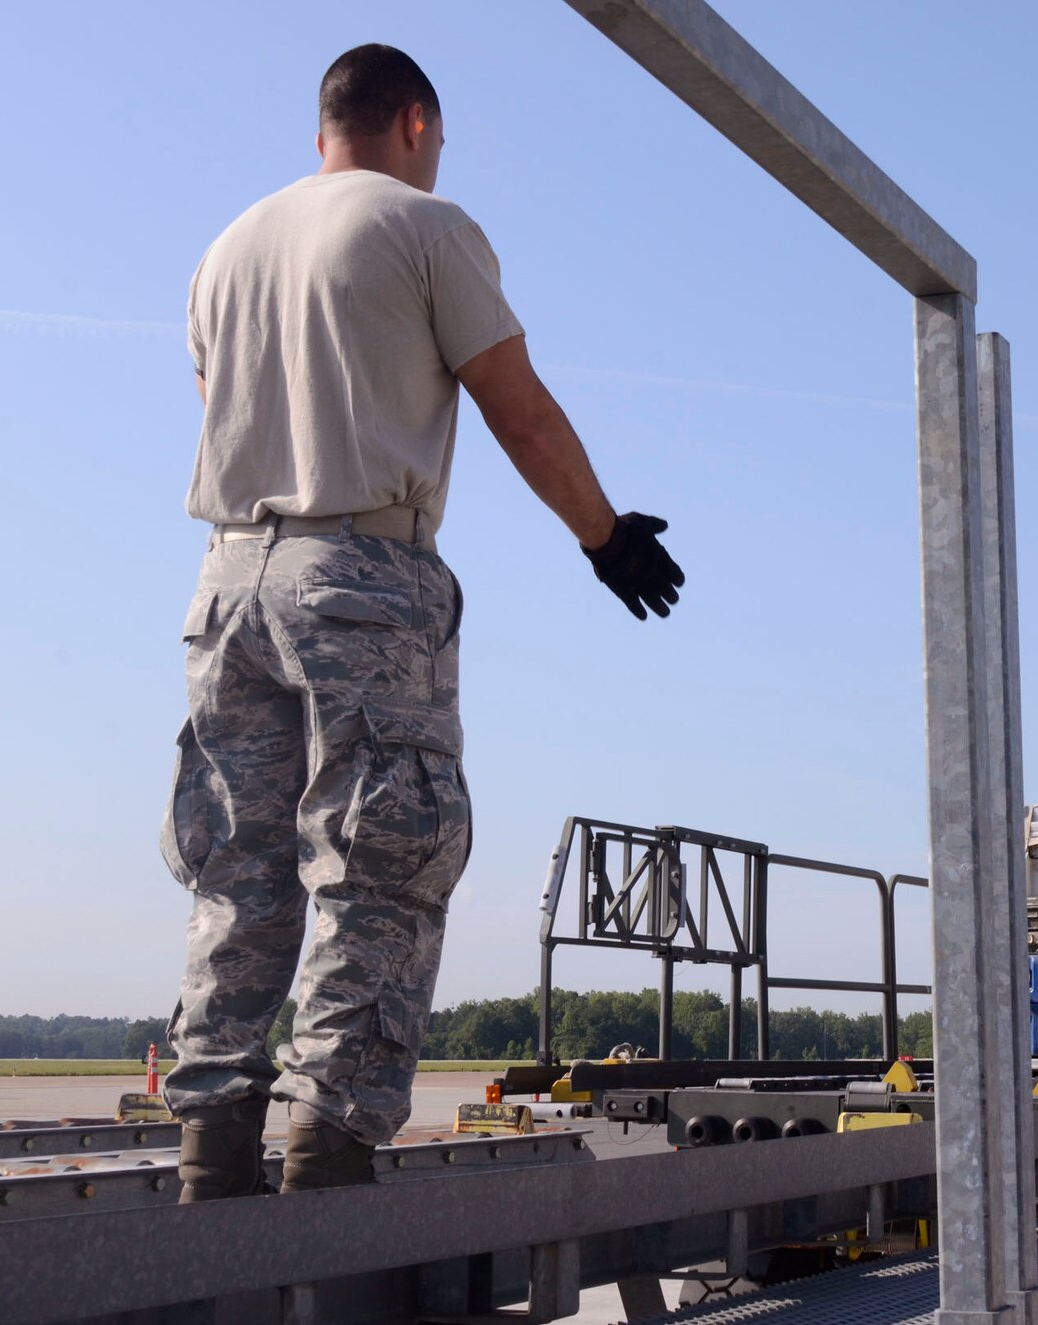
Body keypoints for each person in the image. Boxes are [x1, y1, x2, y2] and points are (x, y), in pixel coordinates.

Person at [159, 44, 684, 1201]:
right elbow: (515, 401)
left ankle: (210, 1144)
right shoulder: (424, 226)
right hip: (357, 570)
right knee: (379, 853)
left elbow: (219, 408)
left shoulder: (226, 249)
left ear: (318, 137)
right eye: (433, 142)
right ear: (412, 125)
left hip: (227, 573)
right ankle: (330, 1147)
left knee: (237, 863)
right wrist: (602, 535)